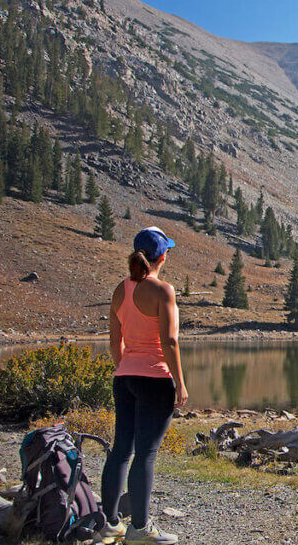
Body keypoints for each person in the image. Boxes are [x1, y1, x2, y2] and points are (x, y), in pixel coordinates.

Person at [97, 227, 187, 545]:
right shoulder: (163, 290)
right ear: (161, 255)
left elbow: (114, 342)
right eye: (168, 250)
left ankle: (109, 524)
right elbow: (170, 340)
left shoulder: (120, 290)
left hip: (124, 377)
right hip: (154, 379)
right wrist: (180, 382)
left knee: (121, 450)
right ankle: (139, 527)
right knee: (146, 453)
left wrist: (125, 367)